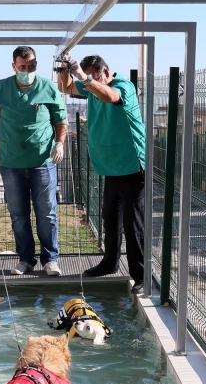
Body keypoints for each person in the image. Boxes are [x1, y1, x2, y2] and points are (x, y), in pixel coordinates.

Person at [57, 54, 148, 295]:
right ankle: (109, 263)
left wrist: (83, 77)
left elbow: (110, 97)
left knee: (133, 224)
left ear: (106, 73)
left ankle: (141, 276)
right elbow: (64, 87)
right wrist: (63, 68)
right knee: (110, 218)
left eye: (94, 77)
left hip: (131, 166)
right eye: (89, 78)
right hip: (110, 167)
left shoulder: (122, 86)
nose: (90, 83)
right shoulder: (92, 88)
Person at [0, 46, 68, 276]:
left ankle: (50, 260)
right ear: (14, 66)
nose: (27, 70)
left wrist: (59, 143)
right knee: (18, 214)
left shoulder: (48, 87)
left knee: (46, 213)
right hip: (11, 163)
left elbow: (61, 120)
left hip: (43, 161)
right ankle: (25, 260)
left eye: (31, 66)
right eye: (23, 67)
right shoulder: (1, 88)